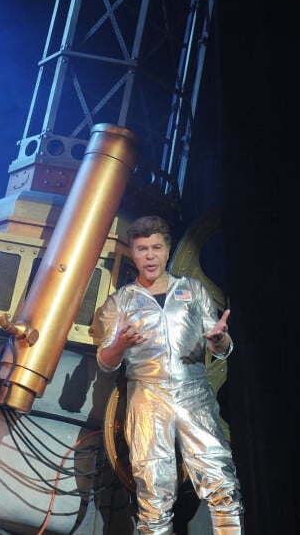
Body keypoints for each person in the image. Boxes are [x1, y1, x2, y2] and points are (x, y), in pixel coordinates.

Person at [96, 215, 244, 534]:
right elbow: (105, 362)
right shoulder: (120, 303)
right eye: (141, 248)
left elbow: (222, 348)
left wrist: (220, 340)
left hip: (194, 397)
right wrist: (119, 343)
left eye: (156, 247)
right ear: (132, 252)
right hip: (148, 401)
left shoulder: (192, 290)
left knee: (222, 486)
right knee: (154, 498)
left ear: (166, 250)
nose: (150, 255)